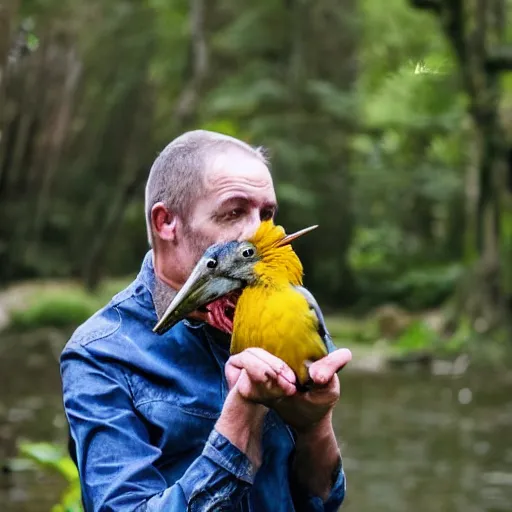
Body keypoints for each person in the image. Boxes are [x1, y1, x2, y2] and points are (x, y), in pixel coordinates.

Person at [61, 130, 352, 511]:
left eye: (266, 215)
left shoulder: (295, 306)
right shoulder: (102, 353)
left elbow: (322, 500)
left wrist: (314, 426)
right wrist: (242, 415)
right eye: (234, 212)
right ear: (167, 223)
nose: (258, 234)